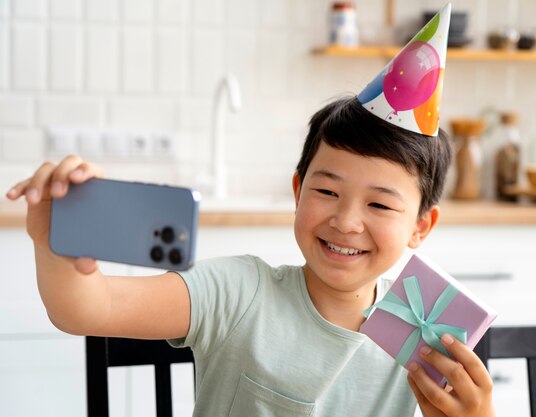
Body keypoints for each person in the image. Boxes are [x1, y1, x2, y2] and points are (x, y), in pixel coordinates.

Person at [6, 4, 495, 417]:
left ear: (421, 226)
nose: (346, 221)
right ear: (298, 189)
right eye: (326, 192)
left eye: (379, 204)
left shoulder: (425, 335)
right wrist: (54, 241)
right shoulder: (238, 292)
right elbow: (85, 308)